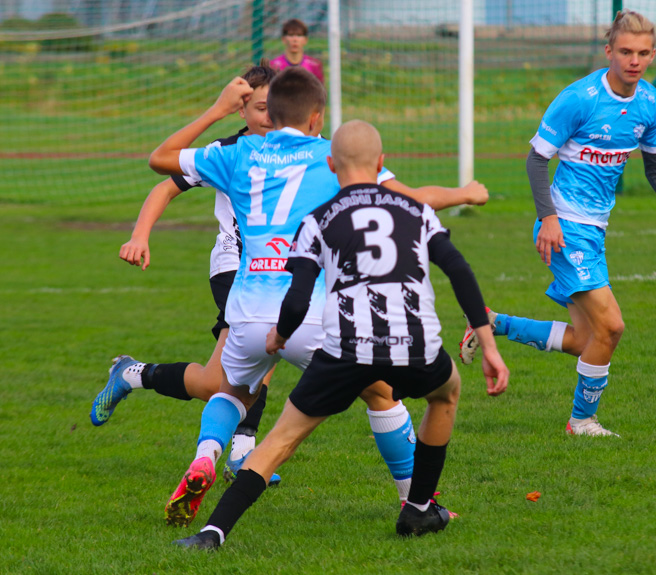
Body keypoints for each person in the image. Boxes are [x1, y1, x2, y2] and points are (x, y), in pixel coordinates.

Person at [147, 67, 491, 528]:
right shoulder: (330, 156)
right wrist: (465, 192)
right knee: (382, 394)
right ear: (315, 119)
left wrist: (218, 109)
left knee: (231, 390)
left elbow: (160, 159)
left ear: (271, 113)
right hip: (304, 310)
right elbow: (411, 199)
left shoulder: (238, 151)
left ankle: (208, 457)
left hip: (247, 312)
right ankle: (418, 504)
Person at [460, 10, 656, 438]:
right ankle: (582, 421)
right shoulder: (579, 98)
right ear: (608, 50)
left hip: (594, 231)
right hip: (563, 227)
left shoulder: (649, 102)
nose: (634, 60)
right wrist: (548, 218)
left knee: (585, 339)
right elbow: (537, 159)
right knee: (612, 327)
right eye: (626, 51)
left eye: (643, 53)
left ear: (653, 55)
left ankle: (490, 322)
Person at [90, 63, 284, 486]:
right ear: (242, 110)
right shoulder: (227, 151)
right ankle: (241, 452)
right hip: (236, 268)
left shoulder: (298, 151)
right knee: (259, 352)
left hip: (280, 272)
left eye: (278, 107)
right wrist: (140, 235)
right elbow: (163, 183)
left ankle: (132, 374)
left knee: (225, 376)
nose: (270, 116)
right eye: (261, 108)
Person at [268, 18, 324, 83]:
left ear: (305, 40)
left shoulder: (314, 65)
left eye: (299, 35)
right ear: (283, 39)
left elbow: (320, 91)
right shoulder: (273, 65)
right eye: (291, 35)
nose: (295, 39)